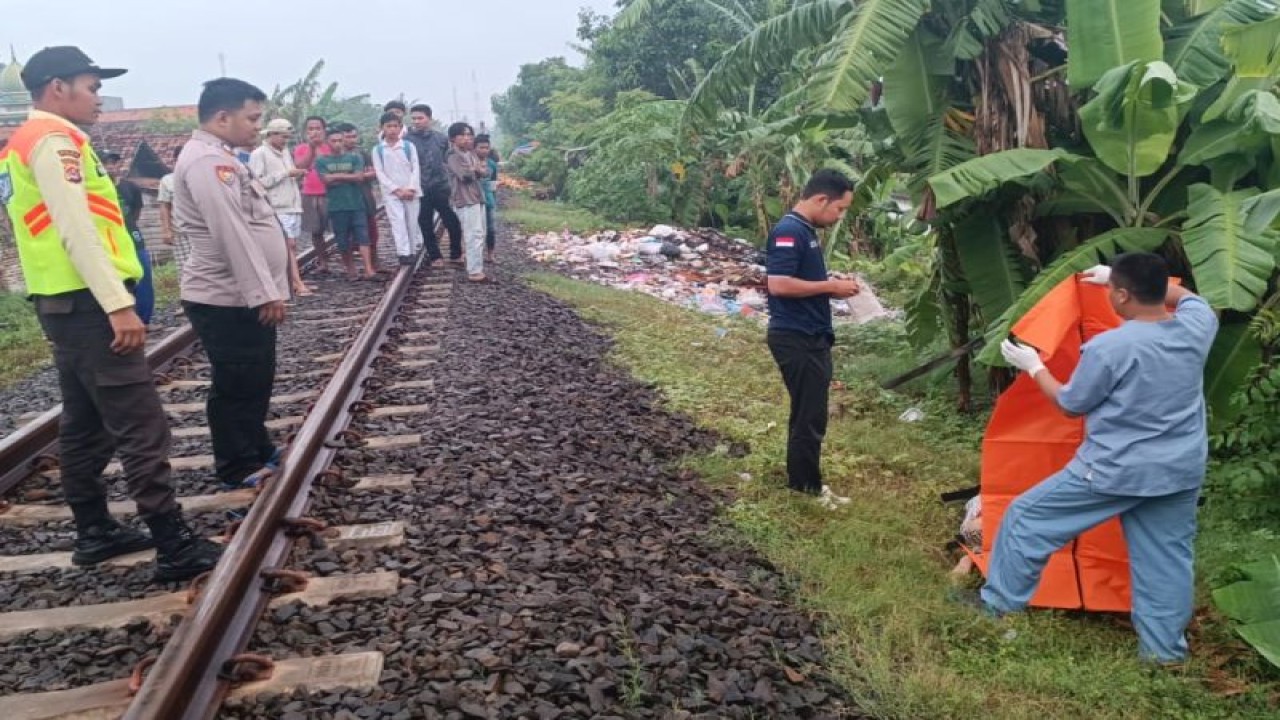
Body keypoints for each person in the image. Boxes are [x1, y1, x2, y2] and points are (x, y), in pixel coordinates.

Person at [0, 45, 220, 581]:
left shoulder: (27, 142)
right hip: (90, 306)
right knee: (140, 424)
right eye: (92, 87)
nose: (99, 99)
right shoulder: (54, 142)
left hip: (63, 305)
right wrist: (118, 305)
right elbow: (76, 231)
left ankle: (94, 531)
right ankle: (173, 544)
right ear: (58, 88)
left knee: (84, 424)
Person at [990, 253, 1218, 664]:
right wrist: (1122, 277)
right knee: (1165, 559)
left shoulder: (1109, 346)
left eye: (1114, 289)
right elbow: (1186, 298)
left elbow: (1071, 404)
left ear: (1123, 295)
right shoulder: (1198, 327)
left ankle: (995, 612)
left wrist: (1033, 365)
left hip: (1114, 470)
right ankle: (1164, 654)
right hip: (1179, 470)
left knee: (1025, 519)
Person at [174, 77, 289, 492]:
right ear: (222, 117)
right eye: (252, 118)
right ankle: (237, 465)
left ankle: (256, 447)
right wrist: (265, 291)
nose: (256, 127)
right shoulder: (208, 162)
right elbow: (230, 230)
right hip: (226, 297)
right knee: (238, 380)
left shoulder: (222, 156)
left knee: (255, 376)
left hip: (238, 294)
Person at [765, 169, 861, 510]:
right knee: (810, 415)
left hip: (810, 335)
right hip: (796, 336)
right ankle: (805, 487)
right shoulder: (790, 231)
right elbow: (778, 283)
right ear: (821, 199)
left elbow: (797, 279)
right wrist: (830, 287)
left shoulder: (804, 231)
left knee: (809, 412)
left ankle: (804, 480)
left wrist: (829, 280)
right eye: (839, 209)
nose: (839, 217)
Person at [249, 118, 312, 296]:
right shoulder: (259, 154)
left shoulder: (284, 152)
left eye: (287, 137)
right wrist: (285, 173)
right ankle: (297, 283)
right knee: (288, 245)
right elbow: (257, 182)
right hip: (276, 207)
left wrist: (296, 174)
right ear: (272, 134)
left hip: (292, 204)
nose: (285, 141)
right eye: (283, 137)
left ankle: (291, 282)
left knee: (291, 246)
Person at [315, 127, 377, 280]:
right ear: (327, 142)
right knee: (342, 240)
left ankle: (369, 269)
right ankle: (351, 270)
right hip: (337, 207)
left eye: (340, 140)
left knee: (363, 238)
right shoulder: (322, 160)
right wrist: (349, 176)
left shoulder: (355, 157)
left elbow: (359, 177)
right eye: (334, 141)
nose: (337, 144)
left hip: (357, 204)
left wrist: (336, 177)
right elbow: (326, 181)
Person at [404, 104, 462, 268]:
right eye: (414, 118)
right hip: (420, 188)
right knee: (425, 223)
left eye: (420, 118)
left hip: (440, 186)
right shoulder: (406, 141)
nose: (416, 121)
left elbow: (448, 161)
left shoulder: (441, 139)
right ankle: (435, 256)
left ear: (429, 118)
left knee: (452, 221)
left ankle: (456, 253)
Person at [103, 150, 155, 324]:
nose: (110, 166)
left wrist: (128, 226)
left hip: (133, 238)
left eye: (114, 162)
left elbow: (136, 211)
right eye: (106, 163)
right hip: (108, 243)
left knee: (144, 276)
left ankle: (144, 320)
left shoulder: (130, 187)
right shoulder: (97, 189)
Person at [370, 112, 422, 265]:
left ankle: (412, 250)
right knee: (398, 221)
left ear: (401, 128)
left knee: (412, 222)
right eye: (389, 126)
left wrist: (411, 188)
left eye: (395, 126)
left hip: (411, 191)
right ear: (382, 128)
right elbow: (380, 172)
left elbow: (415, 168)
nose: (392, 130)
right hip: (391, 193)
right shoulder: (378, 149)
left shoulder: (408, 146)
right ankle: (403, 253)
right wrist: (396, 189)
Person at [445, 122, 489, 282]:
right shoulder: (453, 155)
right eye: (462, 135)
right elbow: (466, 175)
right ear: (452, 138)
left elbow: (484, 172)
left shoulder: (470, 154)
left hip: (476, 197)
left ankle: (476, 268)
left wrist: (477, 170)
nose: (467, 138)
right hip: (464, 199)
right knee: (473, 234)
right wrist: (477, 170)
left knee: (479, 233)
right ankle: (475, 272)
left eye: (469, 135)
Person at [294, 115, 332, 273]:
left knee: (341, 228)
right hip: (309, 193)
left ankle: (348, 262)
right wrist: (311, 148)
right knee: (316, 232)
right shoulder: (301, 148)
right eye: (310, 129)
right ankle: (323, 262)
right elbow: (300, 167)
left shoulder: (331, 147)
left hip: (330, 194)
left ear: (324, 130)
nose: (314, 132)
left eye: (318, 129)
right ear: (305, 131)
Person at [342, 123, 380, 254]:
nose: (352, 140)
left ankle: (374, 263)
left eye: (354, 136)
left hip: (364, 196)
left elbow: (373, 173)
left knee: (371, 232)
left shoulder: (362, 153)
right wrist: (357, 176)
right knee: (346, 234)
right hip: (344, 200)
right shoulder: (334, 155)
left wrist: (350, 176)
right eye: (347, 137)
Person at [157, 148, 190, 269]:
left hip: (203, 232)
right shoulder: (167, 180)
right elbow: (164, 206)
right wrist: (166, 230)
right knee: (185, 270)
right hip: (181, 234)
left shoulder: (200, 177)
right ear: (175, 161)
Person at [475, 134, 499, 263]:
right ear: (475, 148)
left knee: (491, 228)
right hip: (473, 200)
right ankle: (473, 254)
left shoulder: (492, 164)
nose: (484, 150)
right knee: (475, 230)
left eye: (486, 147)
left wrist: (493, 200)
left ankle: (490, 254)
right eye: (481, 147)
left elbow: (493, 184)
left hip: (488, 200)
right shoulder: (471, 162)